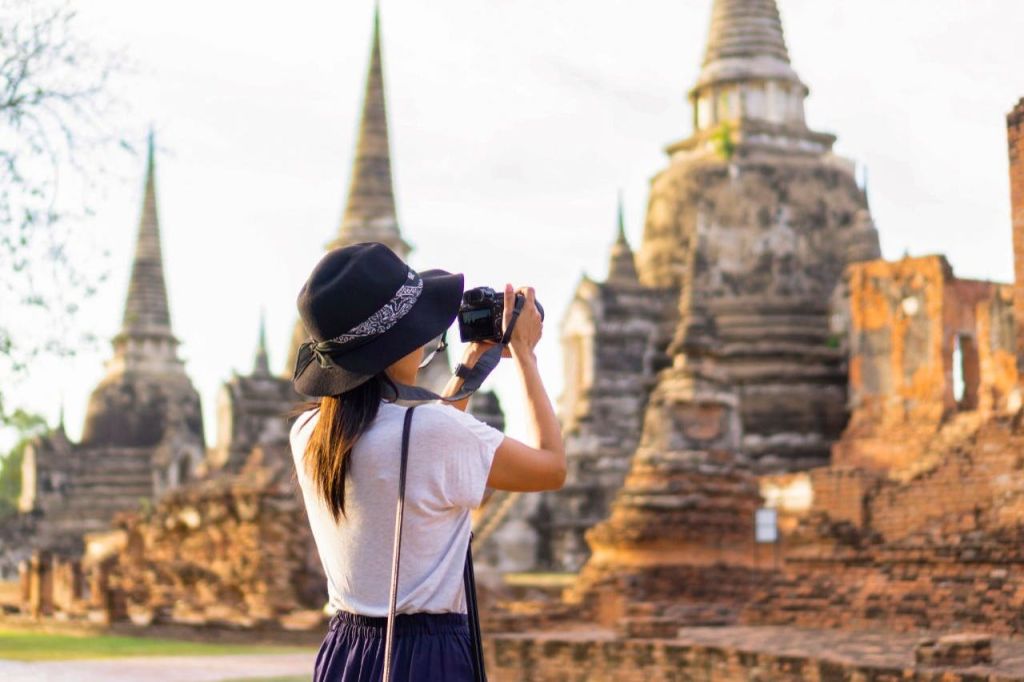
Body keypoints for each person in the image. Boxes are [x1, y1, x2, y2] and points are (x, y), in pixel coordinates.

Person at [289, 242, 565, 681]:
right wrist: (527, 356)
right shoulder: (433, 434)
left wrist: (471, 366)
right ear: (396, 346)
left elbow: (414, 448)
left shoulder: (309, 435)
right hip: (424, 654)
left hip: (345, 652)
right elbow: (552, 468)